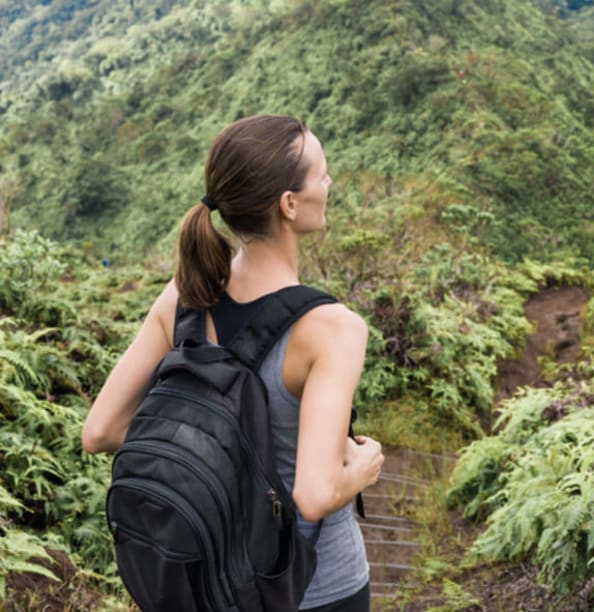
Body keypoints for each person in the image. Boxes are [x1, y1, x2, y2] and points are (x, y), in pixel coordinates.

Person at [82, 114, 384, 611]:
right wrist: (363, 469)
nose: (330, 183)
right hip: (313, 590)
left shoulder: (184, 296)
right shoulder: (332, 328)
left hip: (214, 585)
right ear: (289, 204)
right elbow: (314, 494)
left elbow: (99, 431)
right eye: (322, 174)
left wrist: (217, 452)